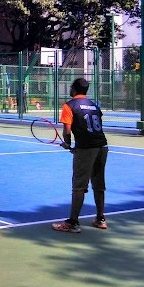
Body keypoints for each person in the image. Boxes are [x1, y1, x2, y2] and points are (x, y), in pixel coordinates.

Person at [52, 78, 109, 233]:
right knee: (98, 184)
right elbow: (95, 128)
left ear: (74, 89)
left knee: (79, 186)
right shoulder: (94, 105)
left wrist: (68, 144)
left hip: (87, 149)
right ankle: (100, 219)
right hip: (103, 146)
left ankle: (72, 222)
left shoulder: (69, 105)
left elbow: (67, 130)